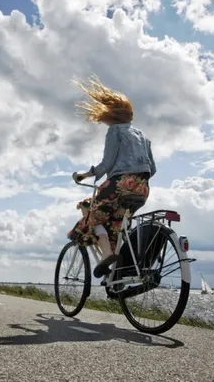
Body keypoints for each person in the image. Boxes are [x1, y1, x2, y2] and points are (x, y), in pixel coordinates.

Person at [67, 76, 157, 279]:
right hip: (142, 188)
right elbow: (153, 168)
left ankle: (106, 254)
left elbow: (105, 165)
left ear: (111, 115)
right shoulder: (143, 135)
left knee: (93, 214)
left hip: (120, 185)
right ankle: (116, 274)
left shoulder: (115, 131)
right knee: (116, 225)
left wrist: (84, 174)